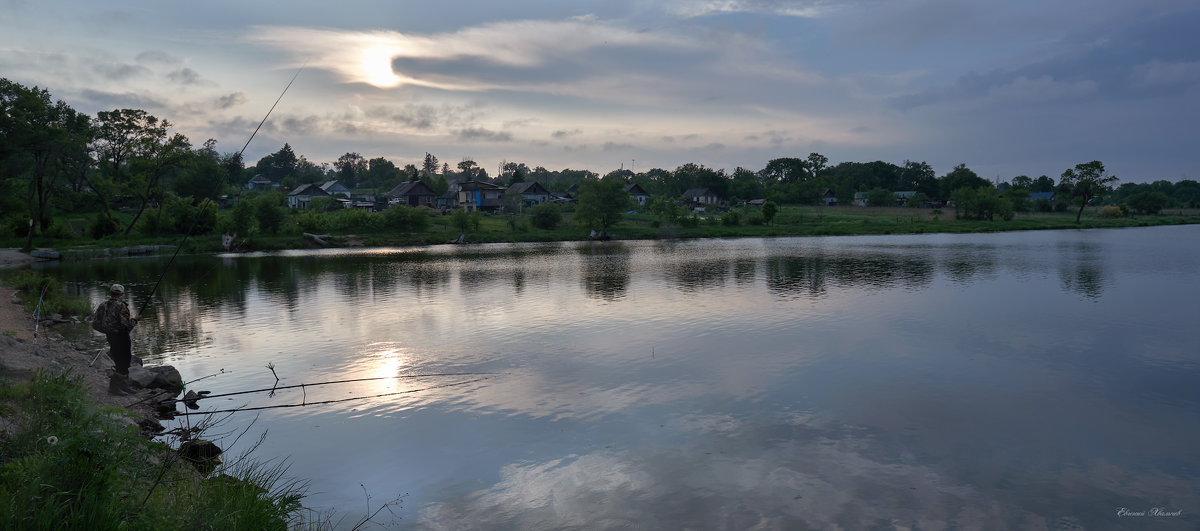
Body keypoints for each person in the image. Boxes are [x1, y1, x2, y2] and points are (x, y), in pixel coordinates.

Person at [97, 283, 138, 395]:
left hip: (111, 337)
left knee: (119, 360)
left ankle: (123, 386)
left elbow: (95, 324)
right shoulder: (122, 306)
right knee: (124, 362)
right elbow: (126, 325)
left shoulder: (103, 305)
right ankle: (114, 388)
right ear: (121, 294)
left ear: (110, 293)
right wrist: (135, 320)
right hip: (122, 337)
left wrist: (107, 331)